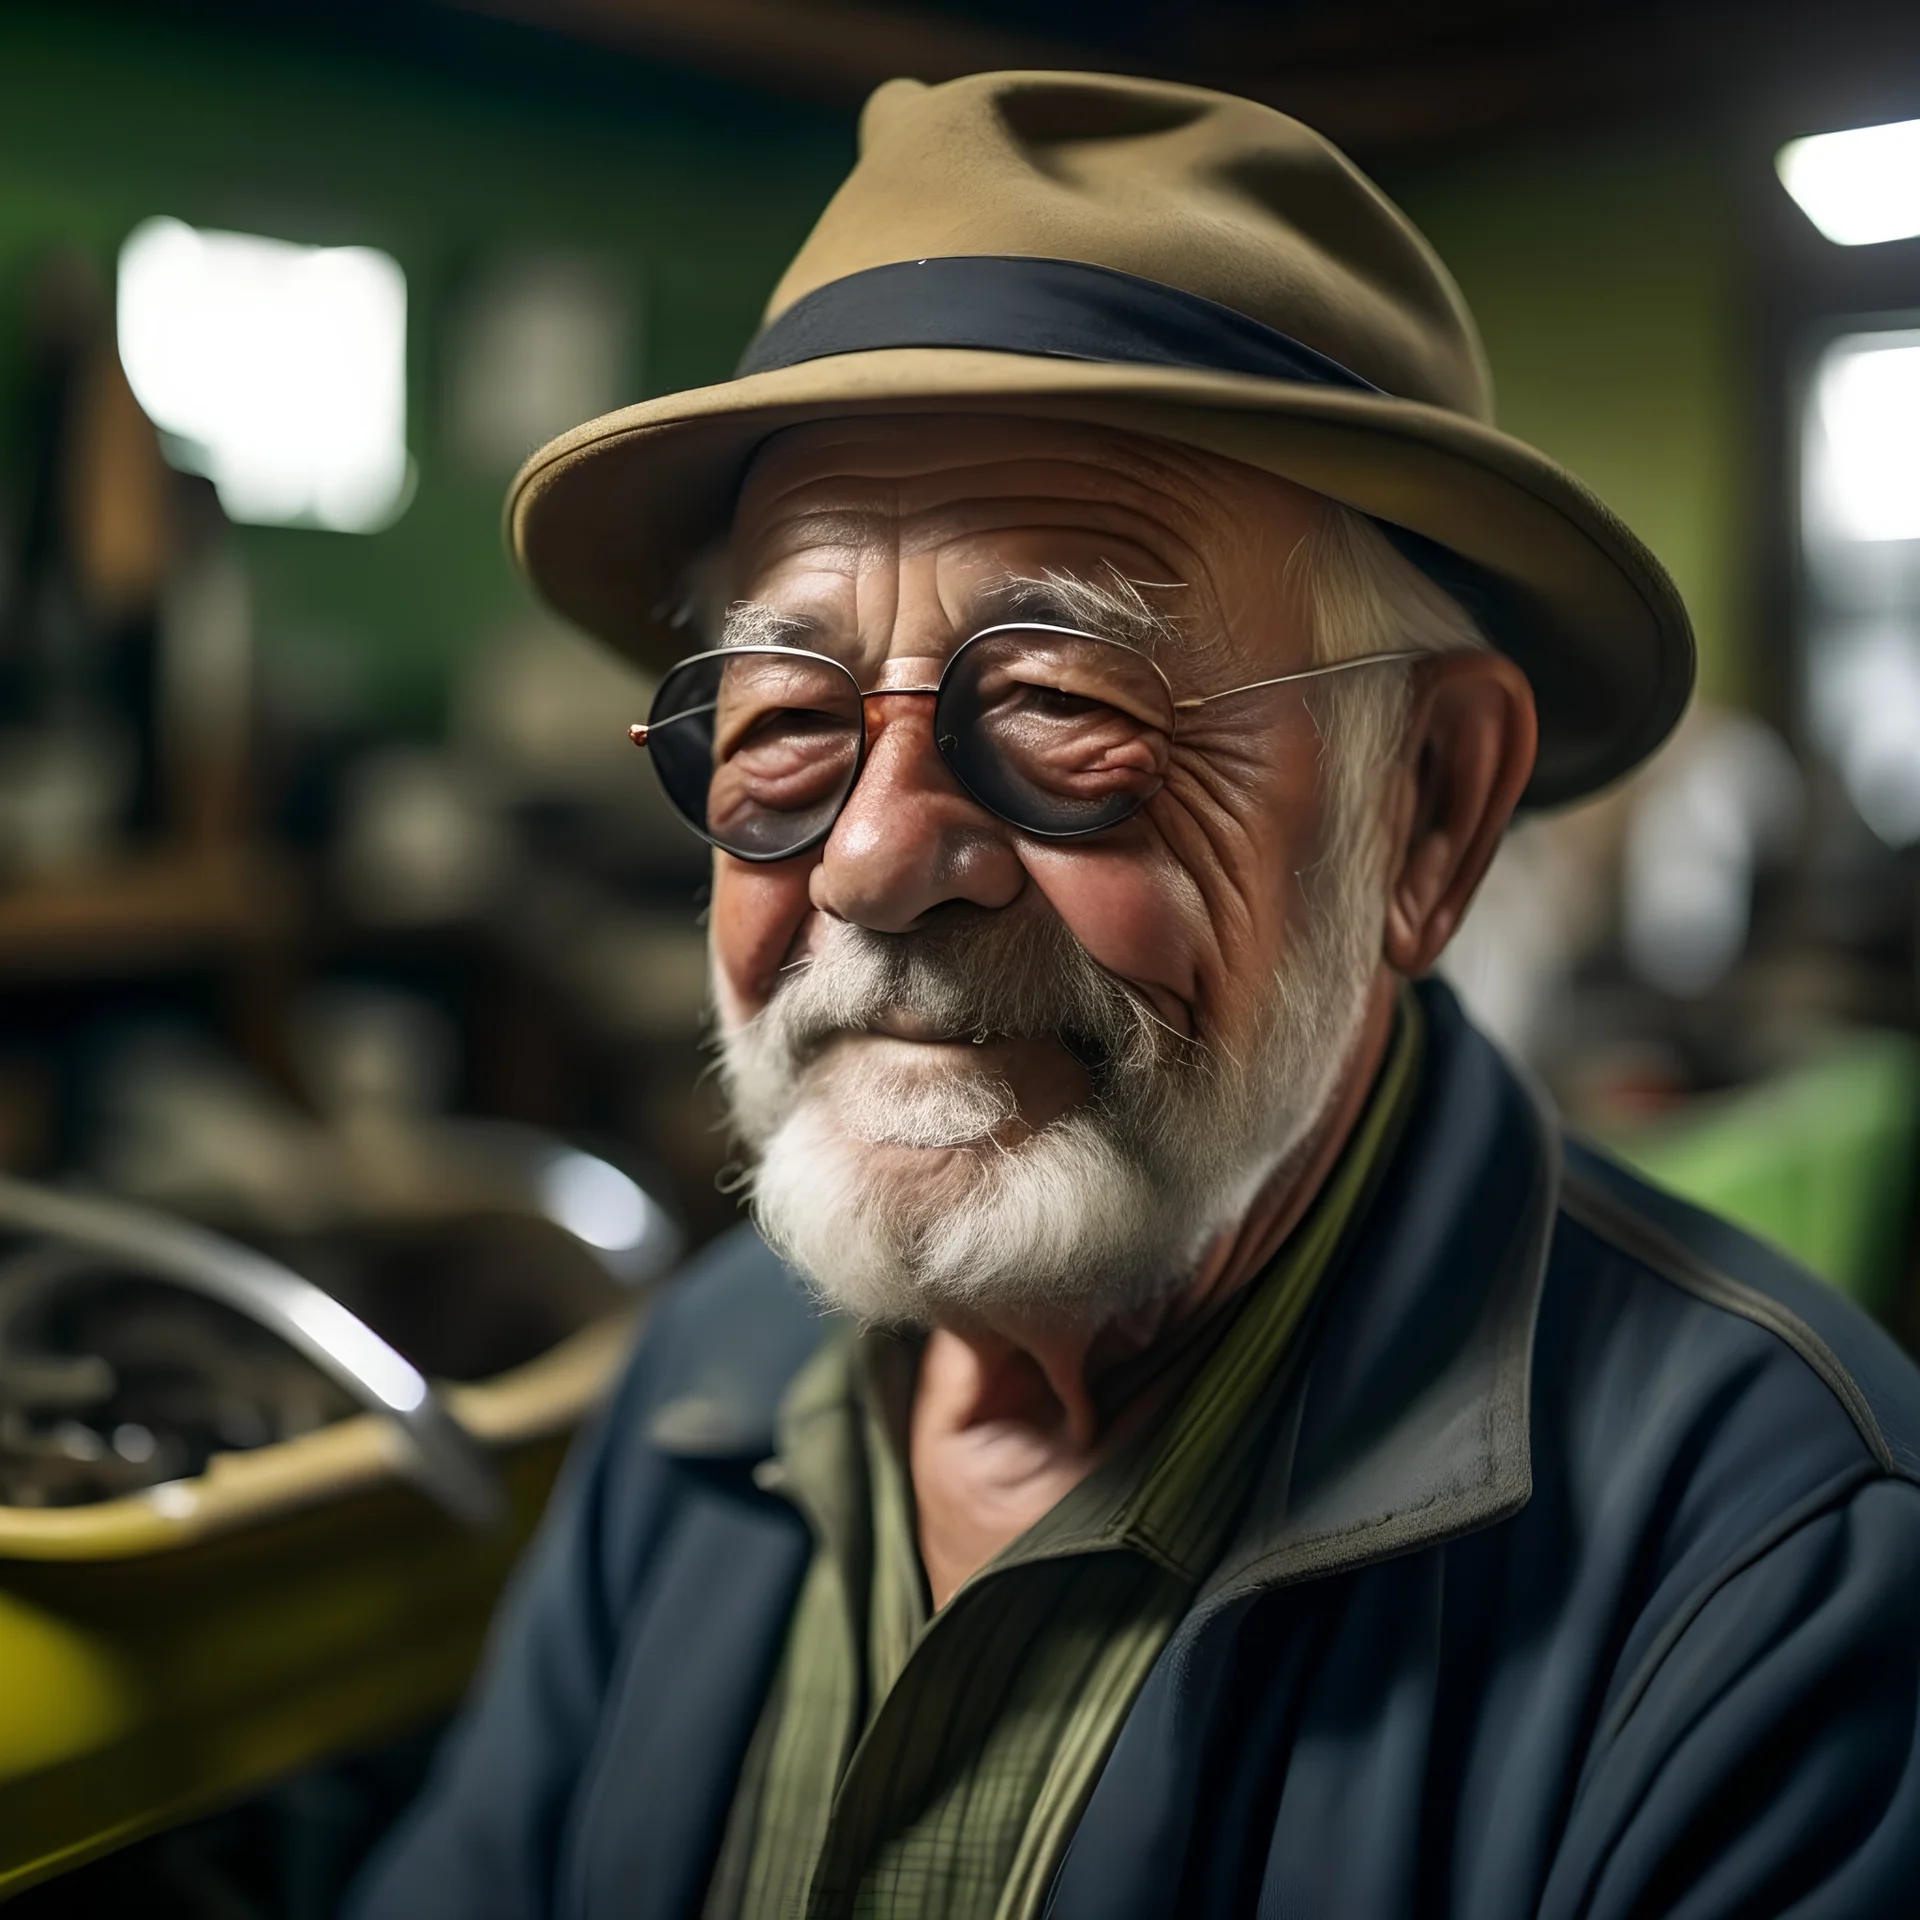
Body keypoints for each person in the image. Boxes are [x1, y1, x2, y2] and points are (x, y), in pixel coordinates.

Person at [351, 70, 1920, 1919]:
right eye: (782, 720)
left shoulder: (1777, 1580)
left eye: (1066, 703)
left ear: (1425, 812)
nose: (870, 859)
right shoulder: (703, 1384)